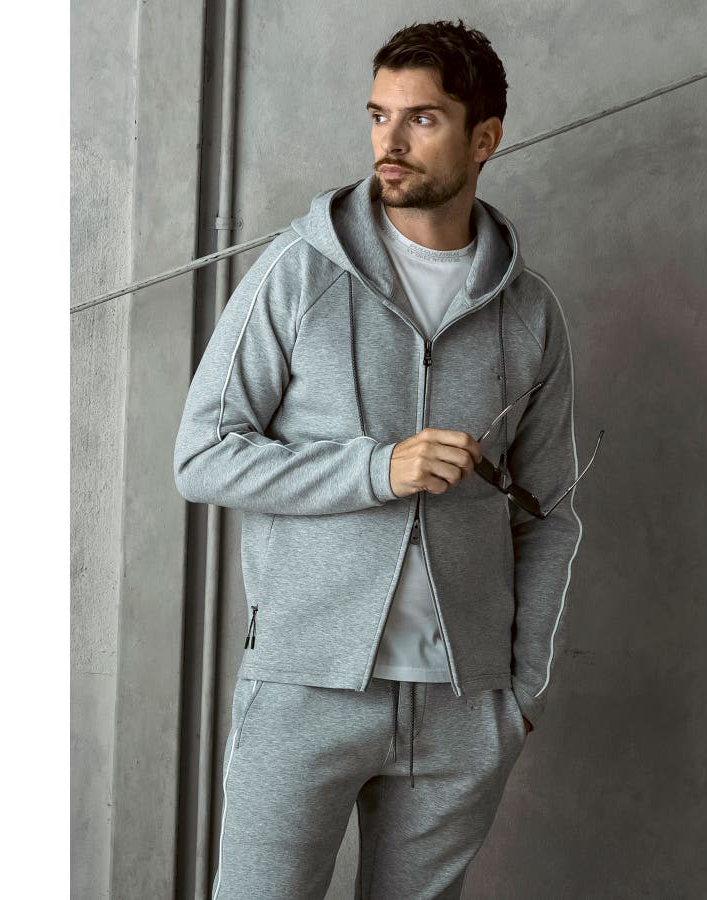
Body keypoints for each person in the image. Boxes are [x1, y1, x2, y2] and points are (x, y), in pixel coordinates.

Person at [173, 18, 586, 900]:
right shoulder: (297, 273)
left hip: (461, 707)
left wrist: (521, 691)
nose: (388, 143)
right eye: (378, 115)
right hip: (305, 689)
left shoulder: (529, 314)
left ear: (484, 138)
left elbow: (550, 513)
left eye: (421, 119)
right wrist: (376, 469)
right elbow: (203, 455)